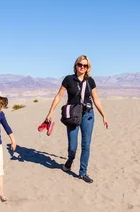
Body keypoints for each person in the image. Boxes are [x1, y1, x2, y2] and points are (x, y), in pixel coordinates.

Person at [45, 55, 109, 183]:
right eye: (80, 64)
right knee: (73, 146)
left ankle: (83, 172)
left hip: (88, 115)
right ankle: (70, 160)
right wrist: (50, 112)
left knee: (86, 145)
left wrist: (104, 115)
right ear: (76, 65)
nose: (82, 67)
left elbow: (96, 99)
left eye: (85, 65)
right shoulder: (69, 80)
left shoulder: (90, 81)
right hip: (73, 115)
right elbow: (58, 96)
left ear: (87, 68)